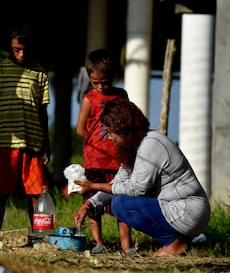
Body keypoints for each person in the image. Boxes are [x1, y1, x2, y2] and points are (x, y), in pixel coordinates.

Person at [74, 98, 211, 257]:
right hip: (177, 209)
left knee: (121, 204)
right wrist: (90, 204)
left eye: (110, 132)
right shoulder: (134, 148)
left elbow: (136, 189)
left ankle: (174, 243)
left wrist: (93, 186)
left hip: (187, 210)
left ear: (122, 128)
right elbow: (118, 183)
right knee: (120, 199)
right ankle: (181, 240)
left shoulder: (150, 144)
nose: (109, 138)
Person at [0, 24, 51, 234]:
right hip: (6, 142)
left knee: (36, 192)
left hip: (33, 142)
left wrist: (46, 144)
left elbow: (43, 111)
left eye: (25, 50)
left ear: (33, 49)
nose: (21, 55)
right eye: (16, 50)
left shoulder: (39, 73)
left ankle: (39, 236)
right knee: (0, 191)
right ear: (9, 48)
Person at [75, 48, 131, 254]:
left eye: (105, 82)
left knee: (121, 200)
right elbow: (80, 128)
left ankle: (127, 246)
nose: (100, 87)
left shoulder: (121, 95)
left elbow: (127, 120)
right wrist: (96, 143)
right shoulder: (89, 99)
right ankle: (99, 243)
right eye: (95, 82)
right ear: (89, 78)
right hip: (95, 160)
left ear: (113, 77)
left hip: (117, 161)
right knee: (92, 202)